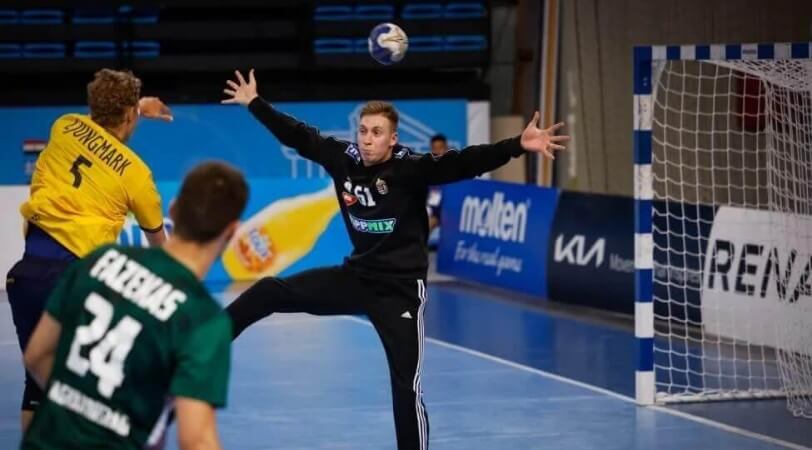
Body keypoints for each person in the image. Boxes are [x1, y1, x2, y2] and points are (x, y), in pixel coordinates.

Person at [221, 69, 568, 450]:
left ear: (393, 139)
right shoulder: (343, 159)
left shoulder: (409, 168)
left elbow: (463, 162)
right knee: (270, 291)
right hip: (357, 277)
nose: (368, 139)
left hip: (400, 290)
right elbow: (298, 136)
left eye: (377, 133)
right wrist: (255, 103)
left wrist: (518, 144)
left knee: (406, 388)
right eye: (363, 131)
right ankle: (205, 343)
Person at [20, 161, 249, 450]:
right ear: (232, 231)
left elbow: (37, 355)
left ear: (174, 209)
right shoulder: (203, 319)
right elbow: (196, 440)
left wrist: (83, 409)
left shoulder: (101, 259)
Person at [6, 68, 174, 432]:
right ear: (128, 116)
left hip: (26, 279)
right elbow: (161, 249)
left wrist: (135, 106)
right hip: (78, 285)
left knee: (37, 387)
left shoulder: (64, 126)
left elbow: (95, 124)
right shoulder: (136, 175)